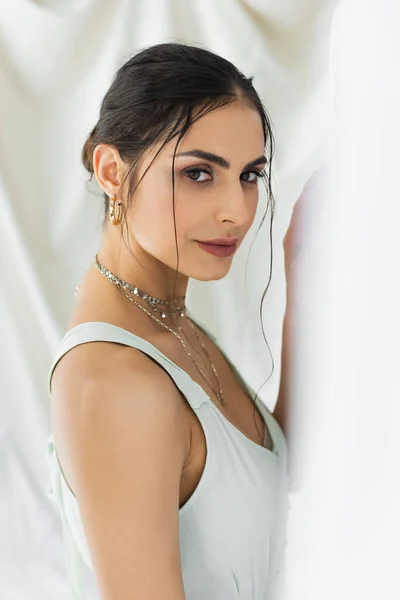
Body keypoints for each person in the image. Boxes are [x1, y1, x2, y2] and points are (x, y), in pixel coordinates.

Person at [45, 42, 290, 600]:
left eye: (250, 175)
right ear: (112, 171)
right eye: (200, 173)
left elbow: (262, 479)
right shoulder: (114, 377)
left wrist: (299, 279)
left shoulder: (170, 326)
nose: (237, 210)